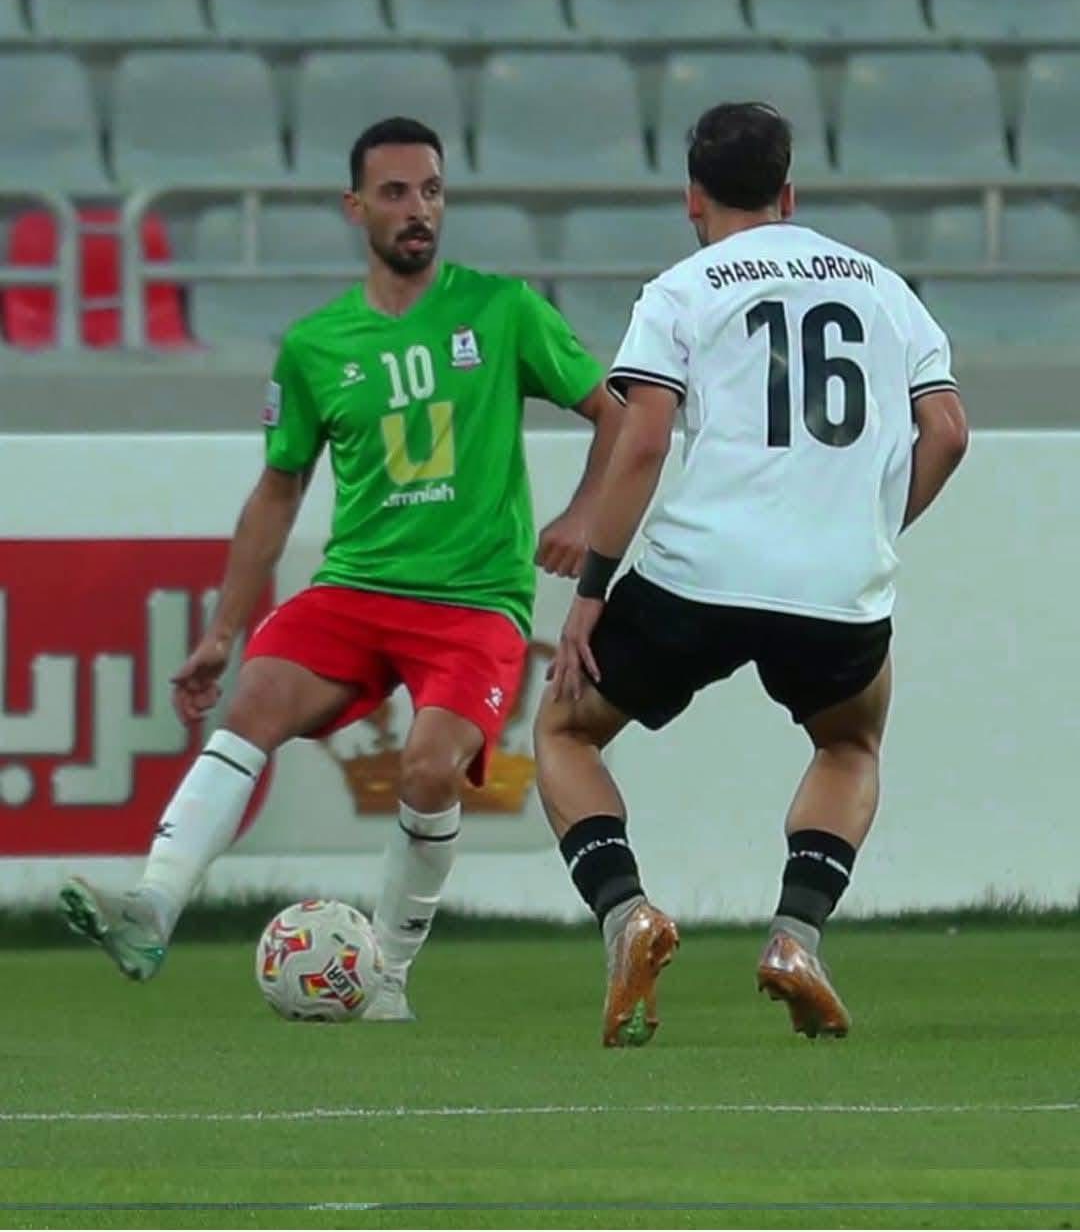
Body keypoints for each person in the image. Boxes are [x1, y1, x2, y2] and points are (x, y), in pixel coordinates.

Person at [61, 116, 620, 1019]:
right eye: (395, 192)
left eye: (431, 190)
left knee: (429, 769)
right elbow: (277, 491)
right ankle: (153, 905)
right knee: (251, 702)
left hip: (474, 600)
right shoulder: (316, 346)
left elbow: (618, 413)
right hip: (356, 590)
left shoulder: (503, 309)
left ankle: (386, 974)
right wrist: (223, 632)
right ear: (355, 207)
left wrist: (587, 512)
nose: (418, 209)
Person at [534, 102, 969, 1048]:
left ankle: (626, 913)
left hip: (701, 574)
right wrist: (865, 528)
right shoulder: (884, 289)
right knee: (849, 745)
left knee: (565, 731)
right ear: (789, 193)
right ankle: (796, 935)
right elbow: (947, 432)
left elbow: (642, 439)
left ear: (692, 197)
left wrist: (592, 591)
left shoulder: (681, 289)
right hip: (839, 583)